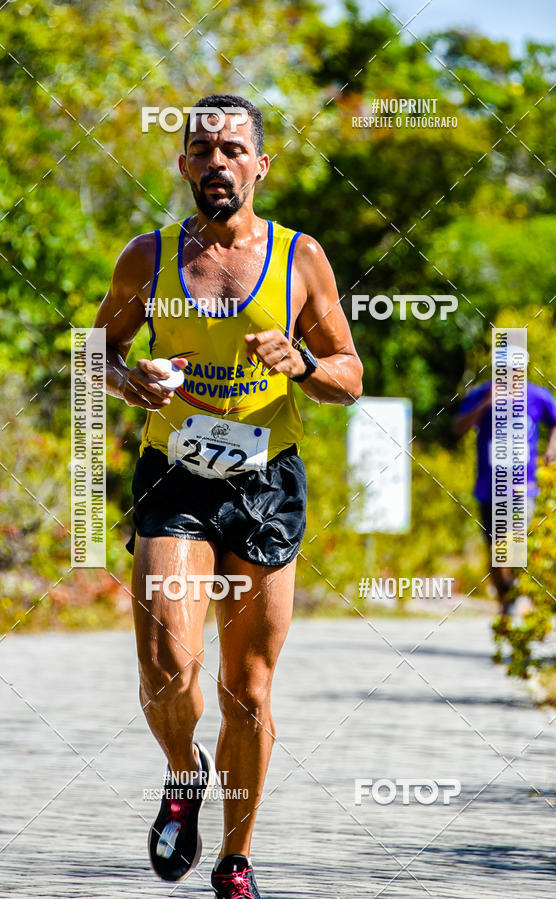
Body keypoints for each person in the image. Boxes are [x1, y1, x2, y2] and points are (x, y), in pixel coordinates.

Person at [94, 94, 363, 898]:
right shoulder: (147, 257)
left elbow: (349, 375)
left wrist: (303, 365)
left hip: (265, 479)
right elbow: (94, 354)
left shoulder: (300, 258)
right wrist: (124, 377)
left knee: (246, 689)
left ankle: (235, 858)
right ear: (183, 166)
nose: (217, 163)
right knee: (167, 669)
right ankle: (184, 771)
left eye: (233, 149)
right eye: (202, 151)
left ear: (260, 165)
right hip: (174, 475)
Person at [453, 348, 556, 615]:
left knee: (512, 542)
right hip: (488, 487)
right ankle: (507, 602)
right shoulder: (482, 393)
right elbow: (457, 428)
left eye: (515, 371)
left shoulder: (537, 396)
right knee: (494, 551)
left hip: (522, 487)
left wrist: (552, 449)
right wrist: (484, 405)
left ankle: (520, 595)